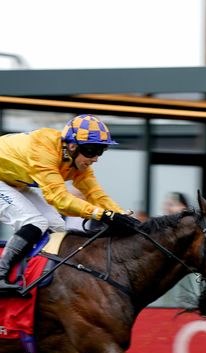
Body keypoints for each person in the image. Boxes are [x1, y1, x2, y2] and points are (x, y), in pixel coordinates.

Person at [0, 114, 139, 293]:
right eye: (91, 150)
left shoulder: (77, 162)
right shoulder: (44, 150)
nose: (95, 158)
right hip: (6, 181)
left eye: (100, 151)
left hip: (13, 182)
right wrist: (101, 214)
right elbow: (59, 200)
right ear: (72, 145)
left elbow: (96, 194)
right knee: (35, 222)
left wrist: (120, 215)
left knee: (58, 227)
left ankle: (39, 278)